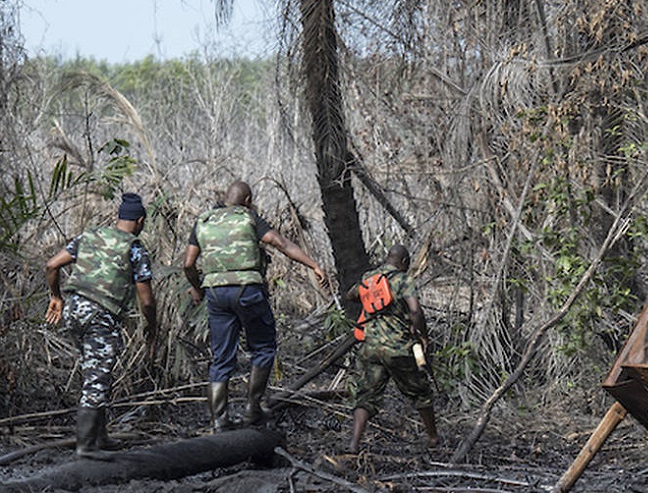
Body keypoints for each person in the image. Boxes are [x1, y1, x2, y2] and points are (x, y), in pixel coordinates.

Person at [183, 180, 327, 433]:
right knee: (263, 348)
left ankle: (219, 421)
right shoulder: (249, 218)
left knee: (221, 357)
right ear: (247, 200)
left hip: (216, 293)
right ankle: (253, 409)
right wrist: (313, 265)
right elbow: (280, 243)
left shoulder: (203, 221)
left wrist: (196, 287)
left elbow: (188, 263)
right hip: (248, 290)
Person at [45, 192, 157, 460]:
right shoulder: (135, 248)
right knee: (97, 378)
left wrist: (56, 297)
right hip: (100, 316)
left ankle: (100, 437)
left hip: (74, 311)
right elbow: (147, 300)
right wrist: (151, 328)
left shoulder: (89, 236)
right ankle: (86, 447)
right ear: (140, 222)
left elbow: (52, 264)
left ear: (118, 217)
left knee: (94, 370)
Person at [346, 244, 439, 453]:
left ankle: (353, 444)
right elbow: (415, 311)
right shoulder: (404, 280)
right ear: (404, 262)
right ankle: (433, 438)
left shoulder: (369, 278)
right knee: (420, 391)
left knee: (365, 396)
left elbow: (351, 295)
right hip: (399, 347)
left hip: (370, 348)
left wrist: (371, 300)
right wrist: (423, 336)